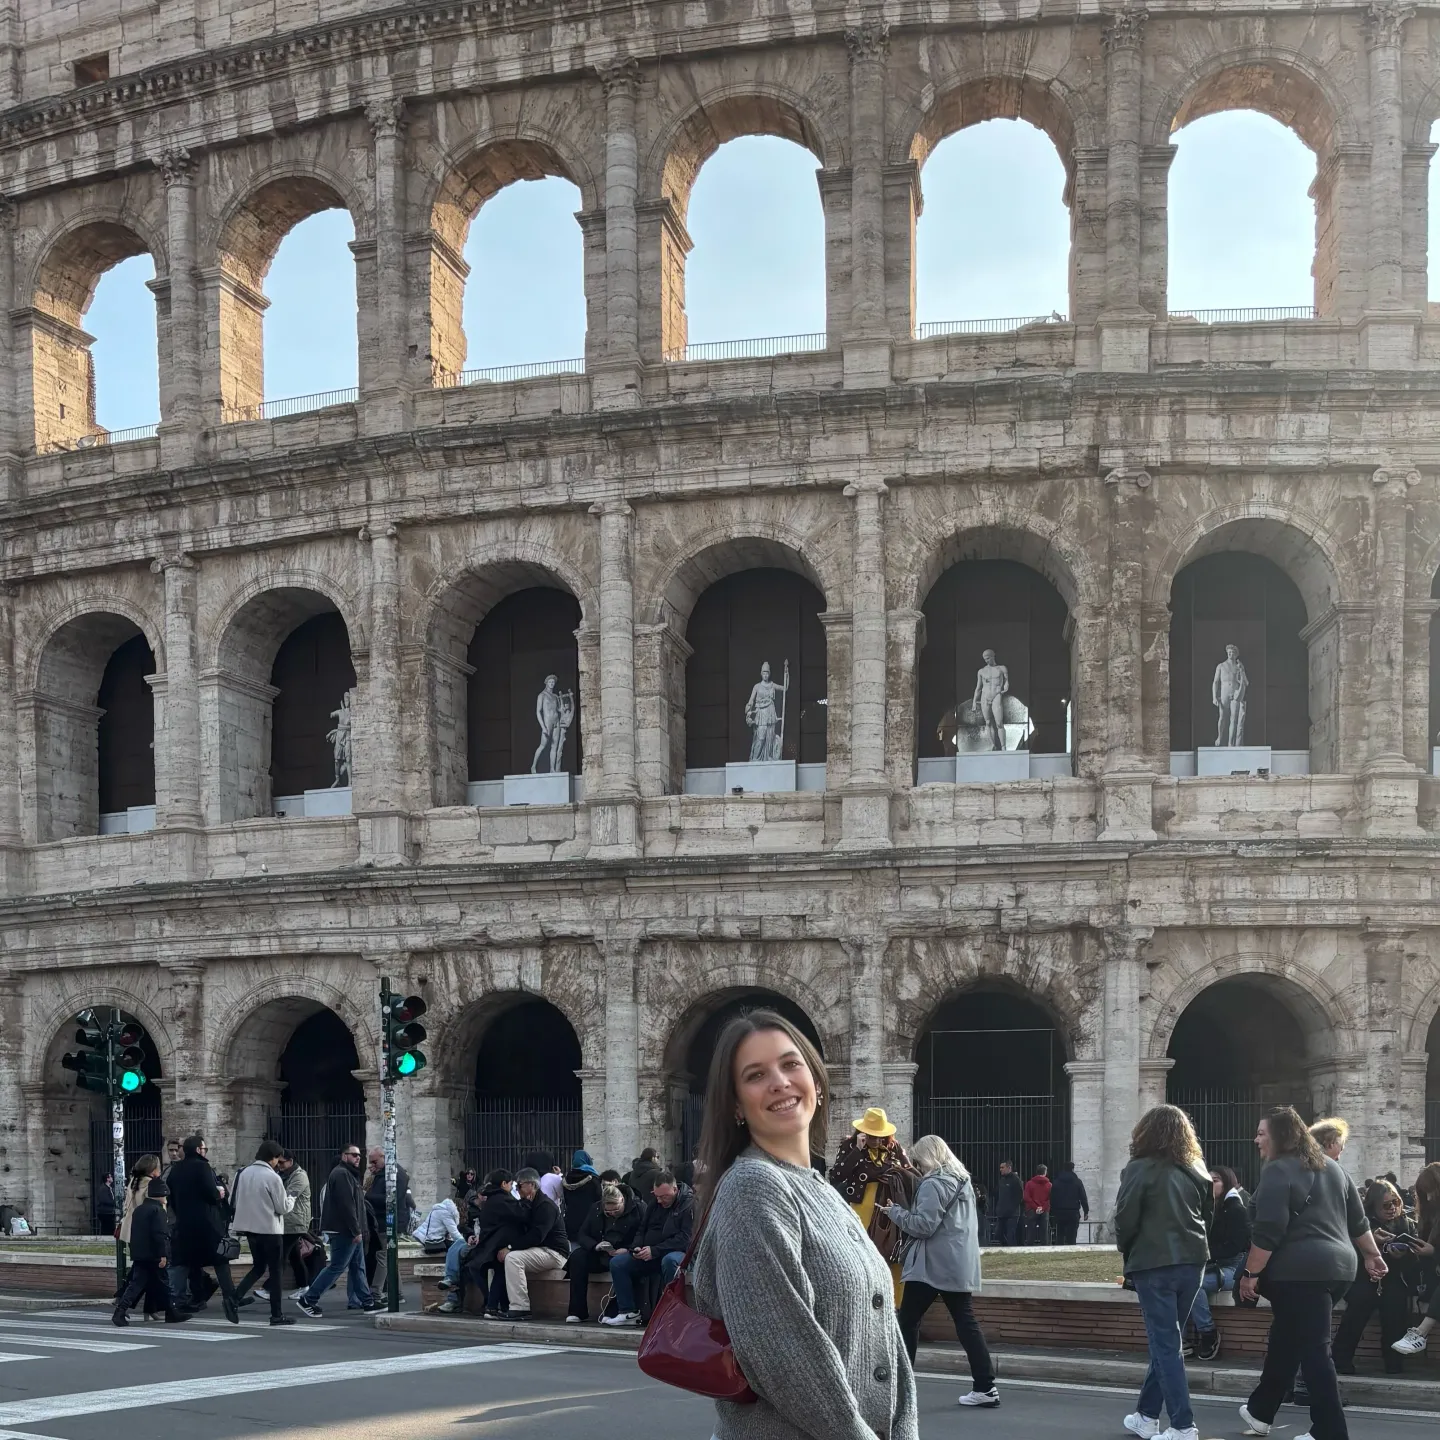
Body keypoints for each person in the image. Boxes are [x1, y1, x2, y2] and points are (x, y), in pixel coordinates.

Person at [690, 1007, 917, 1440]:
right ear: (736, 1104)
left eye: (791, 1063)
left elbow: (887, 1334)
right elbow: (784, 1357)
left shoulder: (822, 1188)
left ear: (816, 1079)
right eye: (755, 1075)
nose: (779, 1081)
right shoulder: (753, 1189)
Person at [1235, 1107, 1386, 1440]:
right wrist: (1372, 1256)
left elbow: (1269, 1230)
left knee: (1315, 1350)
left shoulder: (1277, 1170)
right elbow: (1358, 1222)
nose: (1256, 1139)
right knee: (1288, 1338)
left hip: (1300, 1272)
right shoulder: (1334, 1168)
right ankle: (1261, 1412)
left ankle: (1330, 1431)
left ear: (1279, 1137)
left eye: (1262, 1133)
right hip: (1340, 1270)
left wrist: (1250, 1273)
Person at [1114, 1104, 1213, 1440]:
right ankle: (1145, 1415)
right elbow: (1207, 1215)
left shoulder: (1139, 1168)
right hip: (1194, 1261)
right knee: (1168, 1341)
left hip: (1154, 1262)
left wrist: (1126, 1252)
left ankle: (1183, 1426)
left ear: (1145, 1132)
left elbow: (1125, 1218)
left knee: (1166, 1344)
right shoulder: (1196, 1167)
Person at [886, 1134, 1000, 1408]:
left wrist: (896, 1212)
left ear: (928, 1157)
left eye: (919, 1160)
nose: (919, 1165)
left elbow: (923, 1226)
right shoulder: (963, 1183)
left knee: (908, 1322)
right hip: (958, 1263)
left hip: (930, 1265)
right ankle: (986, 1386)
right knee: (966, 1323)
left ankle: (901, 1388)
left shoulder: (932, 1185)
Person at [1330, 1180, 1423, 1374]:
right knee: (1355, 1315)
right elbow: (1347, 1246)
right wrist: (1372, 1244)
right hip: (1364, 1279)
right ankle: (1341, 1360)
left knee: (1395, 1316)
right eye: (1386, 1205)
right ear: (1374, 1206)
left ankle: (1394, 1363)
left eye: (1396, 1203)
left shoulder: (1407, 1223)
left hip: (1395, 1279)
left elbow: (1415, 1262)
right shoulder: (1361, 1223)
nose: (1393, 1209)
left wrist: (1404, 1254)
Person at [829, 1109, 917, 1303]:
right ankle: (863, 1299)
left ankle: (896, 1305)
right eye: (872, 1136)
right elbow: (836, 1176)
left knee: (893, 1251)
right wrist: (857, 1151)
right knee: (863, 1253)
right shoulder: (850, 1146)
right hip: (862, 1208)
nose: (877, 1140)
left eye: (880, 1136)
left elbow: (910, 1172)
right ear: (863, 1133)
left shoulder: (894, 1147)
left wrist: (896, 1172)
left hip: (890, 1205)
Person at [296, 1144, 380, 1318]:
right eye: (354, 1155)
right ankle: (308, 1299)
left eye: (359, 1155)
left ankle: (368, 1302)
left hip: (349, 1230)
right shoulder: (341, 1174)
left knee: (358, 1267)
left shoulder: (348, 1174)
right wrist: (356, 1230)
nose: (358, 1158)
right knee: (337, 1266)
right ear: (344, 1156)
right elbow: (346, 1206)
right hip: (343, 1230)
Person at [166, 1135, 242, 1321]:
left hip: (184, 1224)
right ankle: (229, 1298)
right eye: (204, 1149)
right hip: (207, 1223)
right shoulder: (203, 1167)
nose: (205, 1152)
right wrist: (220, 1192)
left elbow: (171, 1197)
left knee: (187, 1263)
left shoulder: (175, 1170)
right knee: (220, 1261)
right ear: (198, 1150)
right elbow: (211, 1193)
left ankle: (186, 1300)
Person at [604, 1170, 693, 1326]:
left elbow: (685, 1239)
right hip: (650, 1252)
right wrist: (636, 1248)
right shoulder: (654, 1204)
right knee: (618, 1263)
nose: (660, 1201)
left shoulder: (688, 1204)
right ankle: (628, 1312)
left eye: (664, 1196)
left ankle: (674, 1312)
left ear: (675, 1190)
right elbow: (641, 1229)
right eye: (657, 1196)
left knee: (670, 1261)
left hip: (676, 1252)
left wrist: (655, 1250)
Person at [1186, 1164, 1251, 1362]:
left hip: (1233, 1267)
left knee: (1193, 1285)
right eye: (1208, 1181)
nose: (1210, 1185)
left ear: (1227, 1183)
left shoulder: (1236, 1210)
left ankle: (1208, 1333)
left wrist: (1203, 1254)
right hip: (1209, 1265)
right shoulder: (1205, 1210)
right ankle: (1180, 1340)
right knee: (1178, 1282)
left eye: (1215, 1181)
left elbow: (1234, 1247)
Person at [487, 1167, 568, 1322]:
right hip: (540, 1250)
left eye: (520, 1186)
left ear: (531, 1185)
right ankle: (497, 1305)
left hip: (554, 1252)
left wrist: (510, 1247)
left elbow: (536, 1236)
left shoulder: (545, 1205)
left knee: (513, 1258)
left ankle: (520, 1307)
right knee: (505, 1259)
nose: (517, 1189)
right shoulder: (530, 1203)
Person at [230, 1139, 297, 1326]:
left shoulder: (241, 1173)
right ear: (273, 1158)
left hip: (249, 1229)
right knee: (276, 1272)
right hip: (270, 1229)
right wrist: (291, 1199)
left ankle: (234, 1298)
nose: (278, 1163)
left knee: (258, 1267)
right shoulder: (272, 1177)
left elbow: (232, 1200)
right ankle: (276, 1315)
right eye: (278, 1159)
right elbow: (282, 1207)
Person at [446, 1168, 527, 1316]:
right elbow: (522, 1214)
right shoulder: (504, 1200)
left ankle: (496, 1305)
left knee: (497, 1273)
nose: (512, 1187)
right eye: (510, 1184)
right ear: (504, 1184)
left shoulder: (490, 1200)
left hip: (487, 1246)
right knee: (501, 1273)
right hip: (496, 1246)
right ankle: (492, 1306)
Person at [112, 1179, 189, 1326]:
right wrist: (163, 1254)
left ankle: (120, 1311)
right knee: (165, 1284)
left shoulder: (140, 1209)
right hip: (154, 1255)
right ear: (161, 1195)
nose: (166, 1199)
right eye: (165, 1196)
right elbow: (160, 1234)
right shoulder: (158, 1210)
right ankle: (172, 1312)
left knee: (136, 1284)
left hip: (141, 1254)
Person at [565, 1181, 641, 1323]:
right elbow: (582, 1234)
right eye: (608, 1211)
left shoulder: (639, 1208)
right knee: (577, 1257)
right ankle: (577, 1310)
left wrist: (628, 1249)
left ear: (622, 1201)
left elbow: (643, 1234)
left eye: (616, 1210)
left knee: (619, 1264)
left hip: (625, 1252)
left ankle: (615, 1310)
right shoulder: (596, 1209)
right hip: (601, 1252)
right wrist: (596, 1245)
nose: (612, 1214)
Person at [1391, 1160, 1440, 1358]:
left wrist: (1434, 1253)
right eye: (1424, 1193)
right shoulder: (1429, 1215)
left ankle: (1421, 1333)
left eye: (1432, 1191)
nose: (1428, 1197)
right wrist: (1406, 1251)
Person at [275, 1152, 314, 1295]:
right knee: (294, 1257)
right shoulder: (284, 1175)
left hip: (295, 1222)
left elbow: (287, 1195)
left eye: (282, 1162)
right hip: (289, 1221)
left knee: (281, 1256)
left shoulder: (299, 1176)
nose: (279, 1166)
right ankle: (304, 1286)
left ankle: (270, 1288)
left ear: (290, 1161)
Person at [117, 1154, 161, 1278]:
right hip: (145, 1230)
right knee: (144, 1269)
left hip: (131, 1228)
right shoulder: (150, 1184)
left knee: (141, 1266)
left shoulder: (133, 1181)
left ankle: (128, 1293)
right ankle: (126, 1295)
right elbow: (155, 1206)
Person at [561, 1149, 603, 1243]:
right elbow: (599, 1199)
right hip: (588, 1216)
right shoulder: (593, 1178)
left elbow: (566, 1199)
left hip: (571, 1217)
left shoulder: (567, 1178)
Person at [1050, 1161, 1089, 1245]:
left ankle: (1059, 1250)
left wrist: (1053, 1210)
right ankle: (1071, 1250)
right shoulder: (1077, 1181)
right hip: (1073, 1211)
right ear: (1073, 1169)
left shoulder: (1056, 1181)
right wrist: (1086, 1211)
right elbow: (1083, 1197)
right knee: (1072, 1235)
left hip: (1060, 1211)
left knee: (1060, 1233)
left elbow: (1052, 1197)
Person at [993, 1160, 1024, 1246]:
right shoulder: (1002, 1180)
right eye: (1000, 1168)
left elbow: (1020, 1196)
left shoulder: (1016, 1180)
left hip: (1012, 1213)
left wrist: (1012, 1208)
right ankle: (1006, 1248)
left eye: (1003, 1167)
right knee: (998, 1234)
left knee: (1011, 1235)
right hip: (1002, 1212)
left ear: (1009, 1168)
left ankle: (1011, 1251)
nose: (1000, 1169)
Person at [1023, 1164, 1052, 1246]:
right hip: (1044, 1210)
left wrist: (1036, 1207)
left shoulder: (1029, 1183)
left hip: (1032, 1210)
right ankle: (1045, 1248)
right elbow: (1050, 1199)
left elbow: (1026, 1197)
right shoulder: (1049, 1185)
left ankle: (1029, 1248)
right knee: (1044, 1231)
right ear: (1045, 1172)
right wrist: (1042, 1207)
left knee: (1031, 1231)